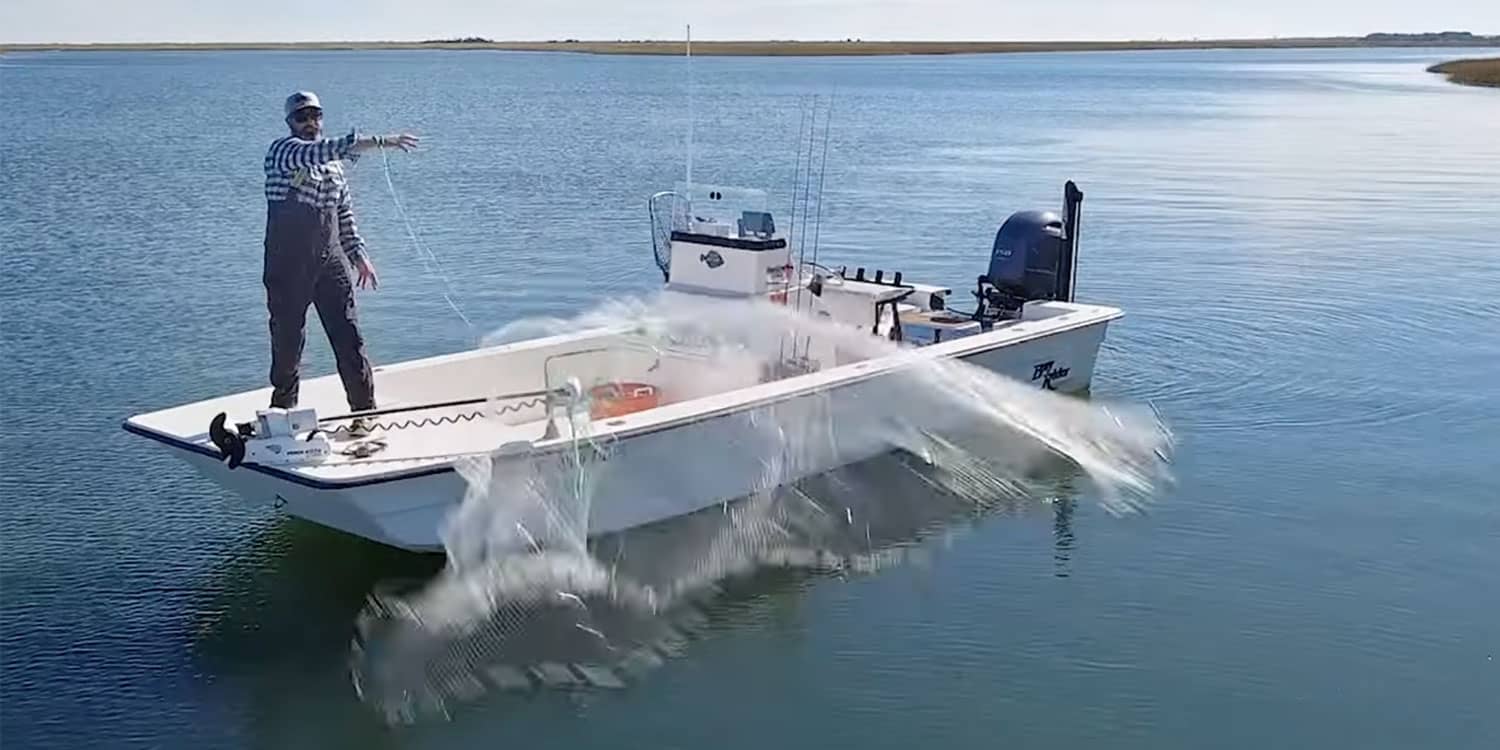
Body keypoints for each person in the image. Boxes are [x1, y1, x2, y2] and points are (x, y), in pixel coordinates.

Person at [262, 90, 418, 422]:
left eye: (315, 116)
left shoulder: (333, 167)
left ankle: (364, 413)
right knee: (288, 339)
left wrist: (358, 255)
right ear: (290, 122)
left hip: (329, 261)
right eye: (301, 117)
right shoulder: (283, 151)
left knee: (348, 336)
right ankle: (281, 415)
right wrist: (383, 142)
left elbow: (343, 214)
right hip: (288, 262)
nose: (310, 123)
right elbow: (324, 149)